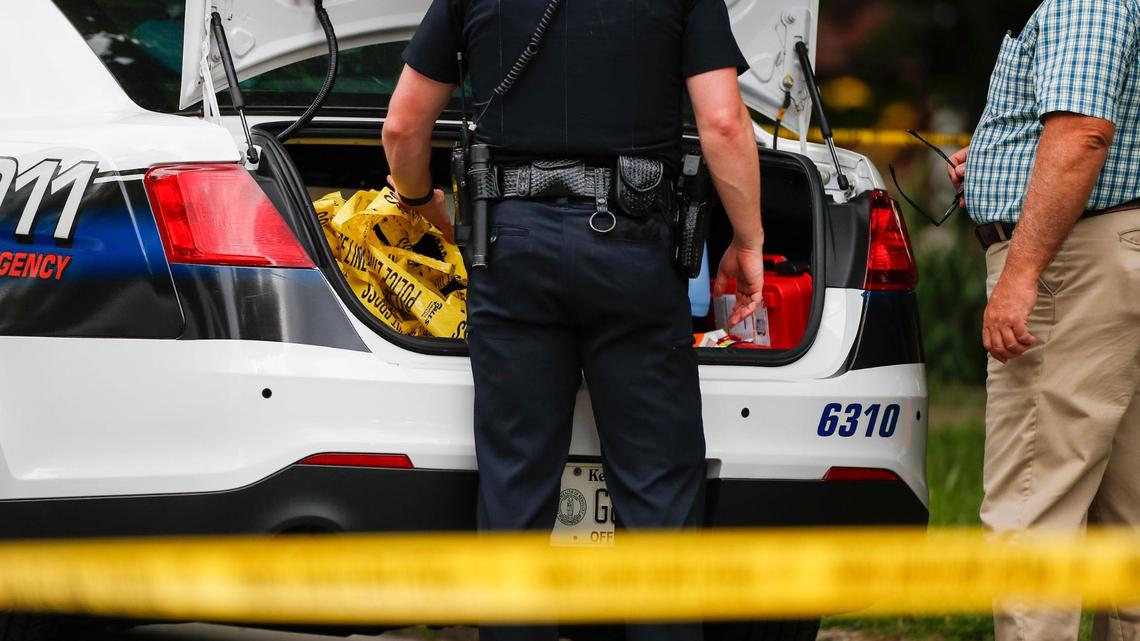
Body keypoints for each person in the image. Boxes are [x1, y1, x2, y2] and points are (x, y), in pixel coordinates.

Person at [383, 1, 764, 639]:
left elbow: (401, 127)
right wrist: (748, 240)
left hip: (511, 254)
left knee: (515, 489)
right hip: (635, 253)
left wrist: (422, 201)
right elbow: (724, 122)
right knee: (658, 495)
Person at [947, 1, 1140, 640]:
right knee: (1128, 514)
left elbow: (1084, 132)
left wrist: (1022, 272)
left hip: (1072, 264)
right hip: (1105, 253)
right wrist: (1004, 159)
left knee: (1035, 507)